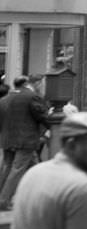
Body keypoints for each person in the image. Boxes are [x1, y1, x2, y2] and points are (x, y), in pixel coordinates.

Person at [0, 73, 49, 211]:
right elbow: (42, 116)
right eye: (43, 83)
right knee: (17, 169)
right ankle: (4, 200)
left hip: (8, 138)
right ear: (37, 83)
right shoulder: (32, 97)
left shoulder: (6, 98)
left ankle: (40, 195)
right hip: (25, 139)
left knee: (7, 167)